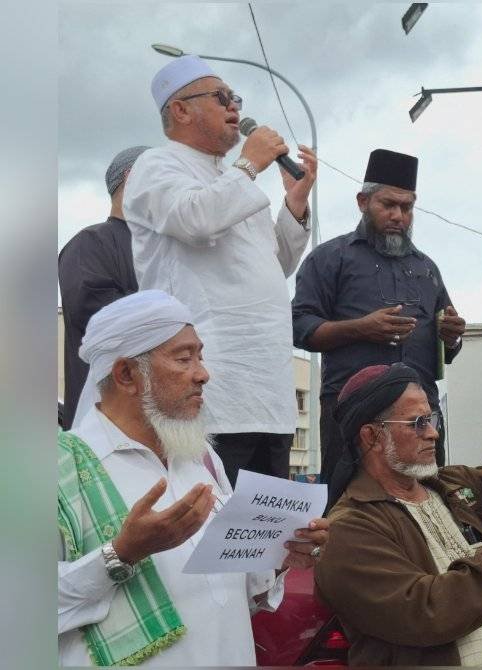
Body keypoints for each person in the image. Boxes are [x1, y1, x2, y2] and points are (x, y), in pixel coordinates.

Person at [58, 290, 329, 666]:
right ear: (126, 375)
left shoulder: (203, 458)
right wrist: (122, 554)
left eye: (199, 356)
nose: (203, 373)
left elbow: (233, 589)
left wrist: (283, 554)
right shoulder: (56, 465)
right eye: (184, 358)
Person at [123, 54, 317, 484]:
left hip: (268, 388)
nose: (235, 108)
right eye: (222, 97)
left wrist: (295, 203)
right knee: (214, 533)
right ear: (180, 109)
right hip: (213, 390)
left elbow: (275, 263)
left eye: (236, 98)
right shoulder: (157, 166)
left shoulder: (234, 180)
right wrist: (248, 165)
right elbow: (194, 219)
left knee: (270, 538)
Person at [313, 360, 482, 666]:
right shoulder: (348, 530)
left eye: (432, 419)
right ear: (371, 436)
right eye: (417, 423)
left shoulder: (452, 486)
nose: (432, 434)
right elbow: (429, 613)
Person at [291, 149, 465, 496]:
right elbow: (299, 327)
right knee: (350, 504)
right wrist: (360, 328)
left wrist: (452, 335)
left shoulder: (426, 268)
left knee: (428, 504)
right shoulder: (330, 258)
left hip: (420, 416)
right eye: (388, 205)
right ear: (362, 201)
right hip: (353, 415)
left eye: (407, 207)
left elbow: (447, 348)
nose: (399, 215)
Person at [59, 145, 148, 427]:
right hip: (107, 424)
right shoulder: (91, 243)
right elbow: (103, 319)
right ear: (131, 176)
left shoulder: (165, 249)